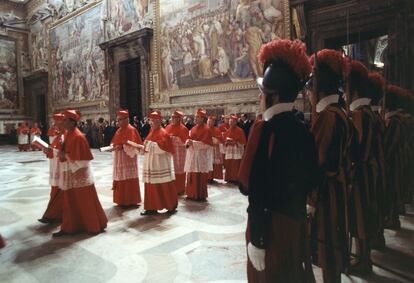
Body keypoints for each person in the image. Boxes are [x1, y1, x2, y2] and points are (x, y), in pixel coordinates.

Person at [238, 39, 319, 283]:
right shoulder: (303, 128)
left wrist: (259, 239)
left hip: (269, 228)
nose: (259, 97)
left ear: (272, 96)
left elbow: (252, 187)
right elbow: (312, 177)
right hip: (294, 223)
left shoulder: (265, 130)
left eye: (262, 93)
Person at [308, 49, 352, 283]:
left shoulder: (327, 116)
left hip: (327, 192)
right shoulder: (340, 112)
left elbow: (318, 161)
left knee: (328, 249)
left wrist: (310, 198)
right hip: (338, 186)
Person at [53, 109, 107, 236]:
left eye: (65, 120)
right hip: (70, 173)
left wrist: (64, 155)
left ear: (72, 122)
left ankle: (92, 225)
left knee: (84, 201)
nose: (62, 122)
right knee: (70, 201)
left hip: (79, 175)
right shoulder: (68, 133)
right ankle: (70, 226)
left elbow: (82, 161)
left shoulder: (78, 136)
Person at [348, 60, 377, 274]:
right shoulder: (372, 114)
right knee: (367, 213)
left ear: (354, 91)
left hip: (360, 173)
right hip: (371, 170)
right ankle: (364, 257)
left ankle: (363, 260)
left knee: (359, 216)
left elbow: (356, 147)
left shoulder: (359, 115)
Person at [141, 110, 178, 215]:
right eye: (150, 120)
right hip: (151, 163)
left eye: (153, 120)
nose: (151, 123)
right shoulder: (152, 131)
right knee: (151, 186)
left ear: (159, 121)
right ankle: (151, 207)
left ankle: (170, 206)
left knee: (163, 184)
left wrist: (147, 145)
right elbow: (147, 144)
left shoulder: (163, 132)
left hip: (160, 164)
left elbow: (162, 148)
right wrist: (140, 147)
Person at [367, 72, 387, 249]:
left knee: (365, 211)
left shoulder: (362, 115)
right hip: (376, 166)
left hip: (365, 172)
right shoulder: (375, 116)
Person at [111, 109, 143, 207]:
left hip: (127, 158)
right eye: (117, 120)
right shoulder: (119, 130)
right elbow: (115, 141)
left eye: (119, 120)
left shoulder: (131, 130)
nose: (118, 122)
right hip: (119, 158)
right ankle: (121, 199)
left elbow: (134, 145)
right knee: (121, 176)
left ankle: (130, 199)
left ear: (126, 120)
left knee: (128, 177)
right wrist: (112, 146)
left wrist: (122, 146)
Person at [383, 85, 405, 230]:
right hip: (397, 157)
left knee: (391, 188)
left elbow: (388, 144)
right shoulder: (398, 119)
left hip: (392, 160)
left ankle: (392, 218)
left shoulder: (394, 121)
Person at [38, 113, 65, 224]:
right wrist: (47, 149)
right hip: (55, 166)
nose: (54, 124)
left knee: (59, 192)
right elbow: (55, 148)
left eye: (56, 122)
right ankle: (53, 215)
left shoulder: (64, 135)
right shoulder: (59, 135)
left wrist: (50, 150)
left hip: (61, 168)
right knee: (55, 191)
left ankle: (54, 215)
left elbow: (64, 152)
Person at [184, 108, 213, 201]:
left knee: (199, 175)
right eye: (195, 116)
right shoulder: (193, 128)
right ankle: (190, 193)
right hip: (192, 155)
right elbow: (189, 139)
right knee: (191, 174)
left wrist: (194, 143)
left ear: (202, 118)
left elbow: (207, 145)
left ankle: (199, 194)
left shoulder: (206, 129)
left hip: (200, 156)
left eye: (197, 117)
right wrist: (187, 142)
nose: (195, 118)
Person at [165, 110, 189, 194]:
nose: (172, 119)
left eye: (174, 117)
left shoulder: (184, 128)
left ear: (179, 119)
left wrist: (174, 138)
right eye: (172, 117)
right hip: (170, 153)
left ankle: (180, 188)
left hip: (180, 154)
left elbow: (185, 142)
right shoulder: (167, 127)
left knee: (179, 170)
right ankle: (170, 188)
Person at [224, 114, 246, 183]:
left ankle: (236, 179)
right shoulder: (227, 131)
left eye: (232, 121)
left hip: (237, 151)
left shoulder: (240, 130)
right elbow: (224, 140)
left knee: (236, 165)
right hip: (229, 151)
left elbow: (243, 142)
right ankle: (229, 178)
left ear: (235, 122)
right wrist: (227, 142)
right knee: (229, 164)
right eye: (230, 121)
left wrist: (235, 142)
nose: (230, 123)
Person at [207, 115, 224, 181]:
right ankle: (208, 177)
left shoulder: (217, 130)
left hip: (214, 149)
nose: (209, 123)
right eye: (208, 121)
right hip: (207, 149)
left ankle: (212, 177)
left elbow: (220, 139)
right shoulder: (205, 128)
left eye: (211, 122)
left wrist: (214, 139)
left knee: (213, 163)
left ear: (214, 123)